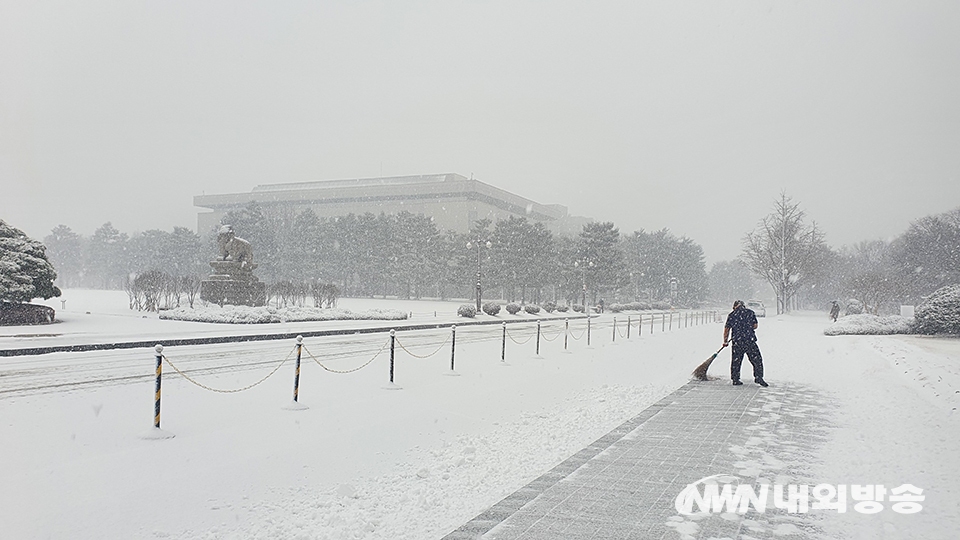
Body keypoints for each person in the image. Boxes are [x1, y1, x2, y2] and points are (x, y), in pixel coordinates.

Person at [722, 300, 767, 387]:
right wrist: (747, 327)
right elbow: (755, 326)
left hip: (737, 342)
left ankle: (735, 379)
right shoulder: (750, 313)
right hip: (750, 340)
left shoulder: (732, 315)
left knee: (736, 361)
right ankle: (759, 377)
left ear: (735, 307)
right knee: (757, 360)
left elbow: (727, 329)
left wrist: (725, 341)